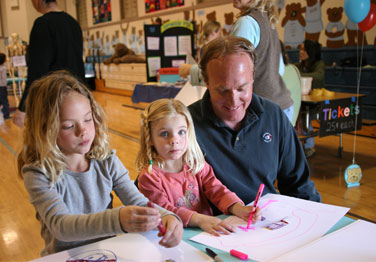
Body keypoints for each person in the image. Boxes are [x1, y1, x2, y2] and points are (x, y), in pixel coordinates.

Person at [17, 71, 183, 256]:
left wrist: (167, 216)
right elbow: (60, 226)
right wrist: (117, 220)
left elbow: (138, 201)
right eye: (68, 126)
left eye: (87, 119)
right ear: (45, 128)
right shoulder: (38, 173)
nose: (83, 131)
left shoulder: (107, 160)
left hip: (107, 254)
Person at [188, 36, 321, 207]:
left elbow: (299, 186)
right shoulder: (184, 126)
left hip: (265, 221)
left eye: (242, 88)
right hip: (212, 227)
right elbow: (157, 187)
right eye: (222, 90)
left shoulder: (273, 116)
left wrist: (320, 220)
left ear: (253, 78)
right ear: (206, 81)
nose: (233, 101)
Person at [136, 99, 261, 236]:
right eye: (164, 134)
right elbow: (165, 211)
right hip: (175, 237)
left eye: (181, 132)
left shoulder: (195, 164)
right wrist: (201, 220)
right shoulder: (149, 177)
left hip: (207, 232)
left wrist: (239, 209)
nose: (174, 140)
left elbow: (217, 190)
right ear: (150, 139)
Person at [13, 0, 85, 127]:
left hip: (52, 98)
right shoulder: (73, 23)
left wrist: (24, 107)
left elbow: (37, 70)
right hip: (76, 97)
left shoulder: (42, 24)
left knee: (52, 143)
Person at [231, 0, 294, 123]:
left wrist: (193, 72)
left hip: (263, 110)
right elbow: (280, 69)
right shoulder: (268, 22)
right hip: (283, 106)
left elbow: (232, 72)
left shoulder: (246, 23)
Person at [296, 40, 325, 158]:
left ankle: (309, 146)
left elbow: (318, 76)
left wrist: (297, 76)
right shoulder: (300, 65)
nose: (300, 52)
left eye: (303, 49)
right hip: (302, 100)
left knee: (304, 116)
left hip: (315, 102)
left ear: (310, 52)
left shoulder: (319, 64)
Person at [179, 20, 222, 86]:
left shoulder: (204, 47)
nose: (221, 35)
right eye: (219, 32)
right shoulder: (211, 48)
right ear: (213, 33)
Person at [0, 53, 10, 119]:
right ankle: (6, 115)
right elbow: (3, 78)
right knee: (5, 101)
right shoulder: (3, 68)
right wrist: (5, 85)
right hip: (2, 86)